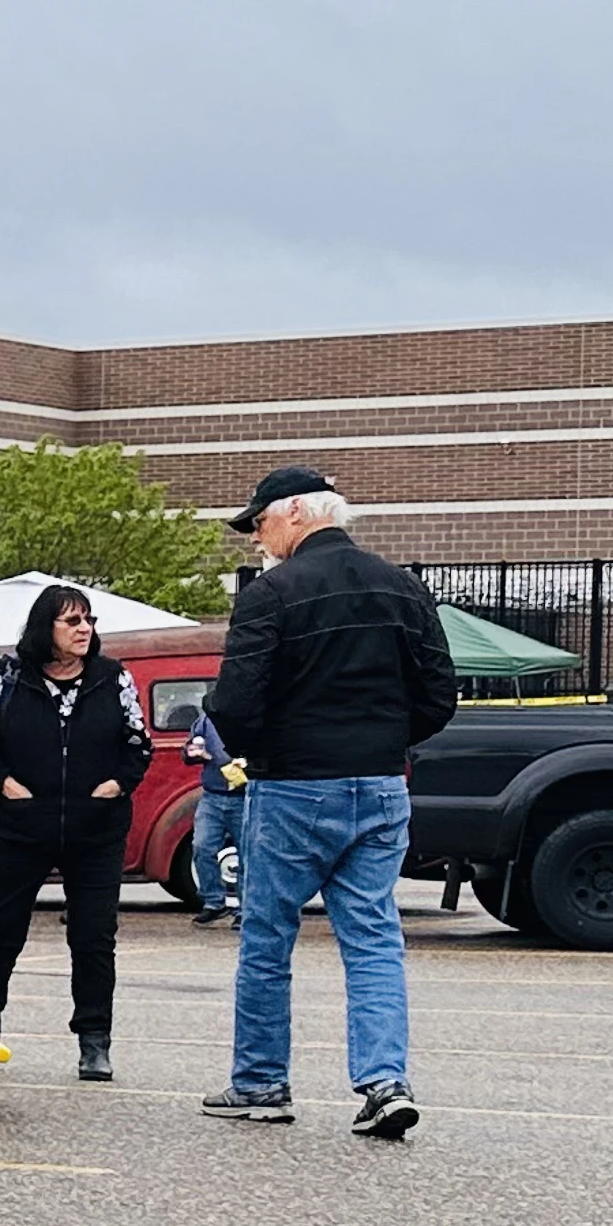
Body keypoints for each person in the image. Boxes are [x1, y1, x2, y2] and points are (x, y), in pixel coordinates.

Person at [202, 466, 457, 1136]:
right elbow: (437, 697)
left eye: (258, 522)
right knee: (373, 937)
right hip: (378, 783)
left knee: (267, 936)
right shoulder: (402, 586)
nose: (255, 536)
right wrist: (382, 741)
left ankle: (261, 1081)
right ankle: (384, 1081)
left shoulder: (272, 594)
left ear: (293, 514)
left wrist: (265, 747)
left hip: (292, 786)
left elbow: (234, 704)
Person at [0, 584, 151, 1081]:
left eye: (89, 620)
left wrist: (117, 784)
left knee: (93, 937)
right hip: (22, 825)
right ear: (48, 628)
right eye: (72, 622)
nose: (85, 630)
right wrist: (3, 784)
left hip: (96, 827)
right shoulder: (5, 677)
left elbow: (138, 742)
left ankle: (94, 1040)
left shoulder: (113, 678)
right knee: (0, 935)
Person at [180, 705, 247, 923]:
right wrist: (192, 752)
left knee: (247, 854)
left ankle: (244, 910)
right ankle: (214, 902)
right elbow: (189, 751)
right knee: (201, 847)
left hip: (244, 796)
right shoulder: (206, 721)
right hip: (212, 795)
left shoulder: (251, 715)